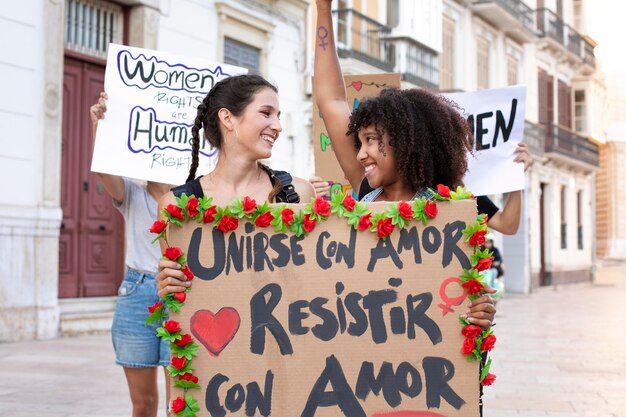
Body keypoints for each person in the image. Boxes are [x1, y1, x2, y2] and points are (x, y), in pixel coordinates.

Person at [156, 74, 315, 297]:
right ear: (227, 118)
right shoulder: (175, 206)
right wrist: (169, 288)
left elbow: (313, 280)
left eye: (278, 116)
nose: (278, 126)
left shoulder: (298, 194)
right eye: (266, 113)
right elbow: (180, 299)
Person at [90, 92, 172, 417]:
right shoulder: (132, 194)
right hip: (138, 294)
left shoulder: (194, 197)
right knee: (144, 404)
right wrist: (100, 126)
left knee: (177, 405)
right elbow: (103, 171)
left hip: (181, 294)